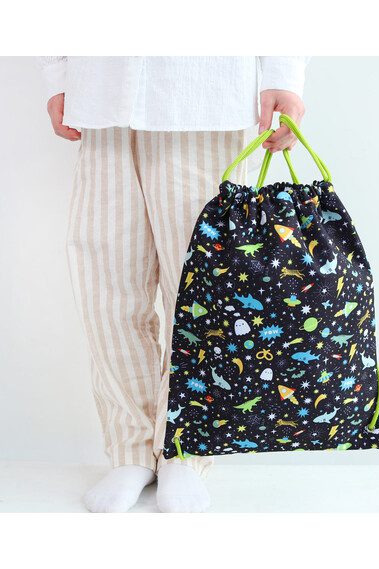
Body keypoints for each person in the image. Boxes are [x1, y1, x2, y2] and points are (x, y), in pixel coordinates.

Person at [39, 56, 309, 513]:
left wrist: (284, 74)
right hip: (99, 85)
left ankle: (184, 447)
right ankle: (131, 447)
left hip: (203, 88)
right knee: (106, 280)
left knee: (201, 291)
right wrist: (58, 73)